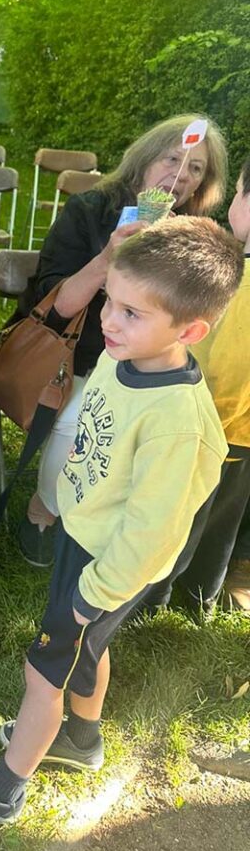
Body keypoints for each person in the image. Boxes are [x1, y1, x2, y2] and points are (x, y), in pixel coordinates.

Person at [0, 216, 244, 824]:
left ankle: (2, 790)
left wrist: (97, 593)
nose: (109, 321)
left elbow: (153, 532)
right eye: (109, 301)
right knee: (86, 652)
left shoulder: (176, 423)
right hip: (85, 536)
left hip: (108, 565)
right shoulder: (127, 359)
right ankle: (81, 740)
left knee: (45, 668)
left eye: (131, 313)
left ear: (191, 330)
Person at [15, 114, 227, 567]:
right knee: (82, 417)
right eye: (172, 159)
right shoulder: (90, 210)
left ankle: (122, 522)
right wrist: (107, 258)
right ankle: (43, 510)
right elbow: (55, 309)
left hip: (146, 363)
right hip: (73, 354)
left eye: (195, 168)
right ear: (146, 158)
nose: (182, 174)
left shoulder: (189, 233)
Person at [174, 157, 250, 612]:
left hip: (210, 426)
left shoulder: (238, 281)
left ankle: (154, 596)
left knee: (185, 516)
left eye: (238, 192)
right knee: (224, 518)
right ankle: (201, 594)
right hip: (244, 434)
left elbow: (224, 364)